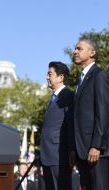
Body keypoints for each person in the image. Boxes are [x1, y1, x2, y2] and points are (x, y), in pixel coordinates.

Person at [70, 37, 109, 190]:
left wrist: (96, 145)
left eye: (79, 49)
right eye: (75, 48)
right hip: (83, 151)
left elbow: (103, 113)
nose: (74, 51)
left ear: (92, 53)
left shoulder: (99, 76)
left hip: (97, 151)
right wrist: (74, 149)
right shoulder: (81, 80)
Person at [40, 61, 74, 190]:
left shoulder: (68, 96)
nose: (47, 77)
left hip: (59, 154)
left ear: (61, 77)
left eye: (50, 74)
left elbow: (71, 125)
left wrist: (72, 150)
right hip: (48, 154)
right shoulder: (53, 98)